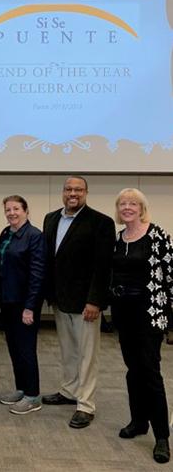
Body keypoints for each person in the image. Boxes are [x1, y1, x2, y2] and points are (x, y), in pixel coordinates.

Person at [42, 176, 115, 428]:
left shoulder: (101, 223)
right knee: (69, 351)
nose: (73, 193)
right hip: (60, 299)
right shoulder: (51, 218)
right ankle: (69, 390)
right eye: (68, 189)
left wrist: (95, 301)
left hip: (86, 304)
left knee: (87, 355)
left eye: (78, 190)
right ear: (63, 192)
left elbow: (102, 267)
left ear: (86, 193)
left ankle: (85, 404)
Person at [110, 188, 171, 464]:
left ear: (142, 207)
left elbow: (170, 277)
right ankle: (138, 422)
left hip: (149, 315)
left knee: (150, 372)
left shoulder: (156, 235)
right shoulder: (118, 238)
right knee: (132, 369)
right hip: (124, 314)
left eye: (132, 203)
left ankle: (162, 437)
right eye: (123, 204)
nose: (127, 207)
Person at [0, 195, 46, 415]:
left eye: (16, 209)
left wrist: (30, 306)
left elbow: (37, 274)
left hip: (25, 304)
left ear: (26, 210)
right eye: (8, 210)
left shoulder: (34, 236)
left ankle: (33, 395)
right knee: (14, 347)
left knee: (26, 349)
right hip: (8, 300)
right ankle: (21, 388)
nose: (12, 213)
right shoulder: (6, 233)